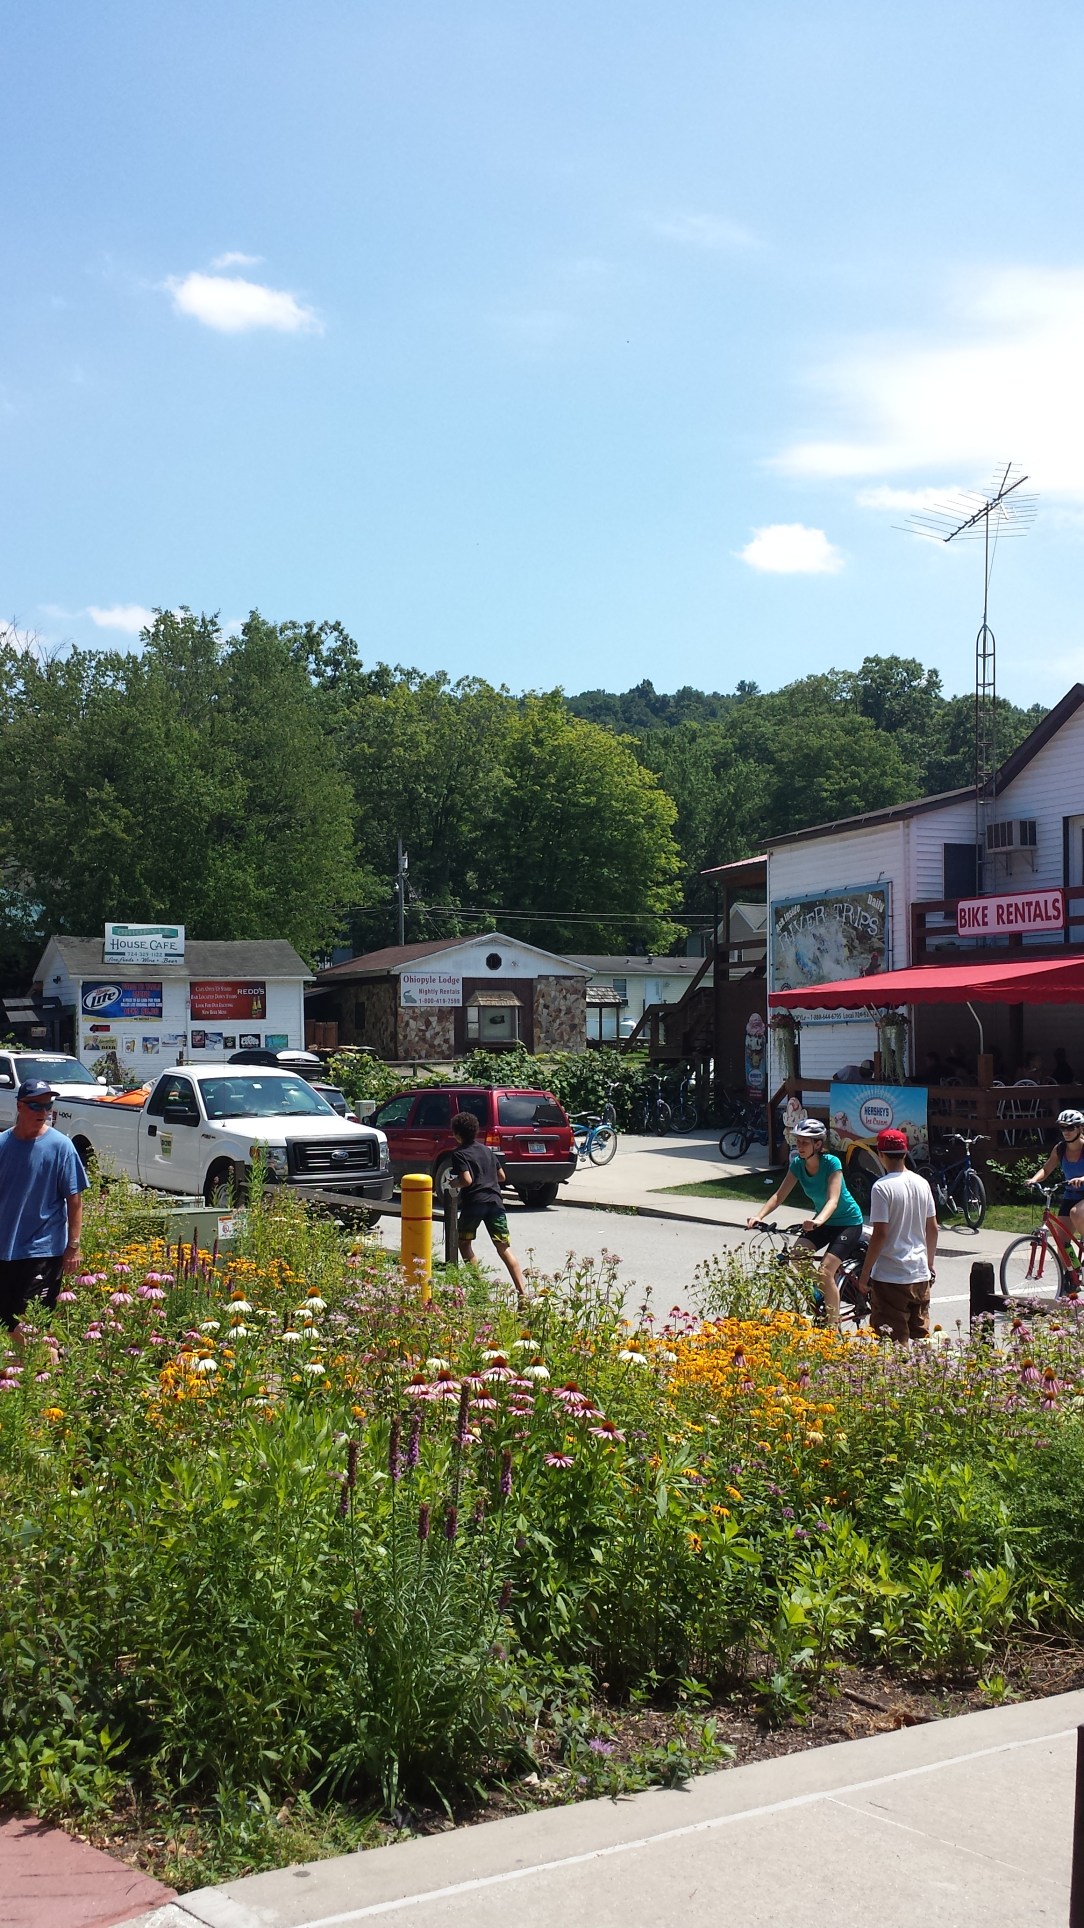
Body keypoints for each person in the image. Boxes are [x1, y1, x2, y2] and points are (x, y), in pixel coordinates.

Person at [0, 1079, 88, 1356]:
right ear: (19, 1106)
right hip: (5, 1248)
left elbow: (74, 1200)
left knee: (31, 1321)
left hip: (43, 1249)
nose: (43, 1111)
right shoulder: (2, 1144)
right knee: (9, 1321)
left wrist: (73, 1246)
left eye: (48, 1105)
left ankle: (41, 1381)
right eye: (35, 1105)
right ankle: (48, 1363)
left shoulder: (61, 1146)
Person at [746, 1118, 864, 1325]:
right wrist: (759, 1216)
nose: (799, 1146)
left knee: (825, 1271)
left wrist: (818, 1221)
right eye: (798, 1141)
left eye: (804, 1142)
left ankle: (832, 1328)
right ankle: (821, 1294)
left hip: (847, 1222)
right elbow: (778, 1196)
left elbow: (833, 1200)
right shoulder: (798, 1165)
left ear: (818, 1144)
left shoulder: (831, 1163)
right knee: (797, 1257)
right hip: (822, 1221)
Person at [856, 1128, 938, 1342]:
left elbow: (880, 1233)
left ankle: (899, 1375)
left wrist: (865, 1274)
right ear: (905, 1152)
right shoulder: (922, 1183)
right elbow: (933, 1228)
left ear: (880, 1154)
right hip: (919, 1273)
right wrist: (929, 1263)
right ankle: (927, 1374)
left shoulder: (881, 1188)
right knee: (921, 1336)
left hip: (890, 1275)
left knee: (892, 1339)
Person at [447, 1110, 526, 1303]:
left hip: (474, 1203)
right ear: (475, 1131)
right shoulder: (486, 1150)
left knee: (463, 1243)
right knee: (503, 1247)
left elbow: (466, 1180)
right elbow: (502, 1177)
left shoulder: (459, 1153)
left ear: (457, 1134)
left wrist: (453, 1183)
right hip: (495, 1203)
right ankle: (523, 1293)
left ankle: (480, 1289)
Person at [1027, 1109, 1084, 1247]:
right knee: (1063, 1243)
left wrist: (1082, 1178)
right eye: (1062, 1127)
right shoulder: (1060, 1148)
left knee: (1076, 1213)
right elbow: (1046, 1169)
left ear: (1080, 1128)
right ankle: (1072, 1268)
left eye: (1070, 1127)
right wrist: (1033, 1180)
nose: (1066, 1131)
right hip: (1070, 1195)